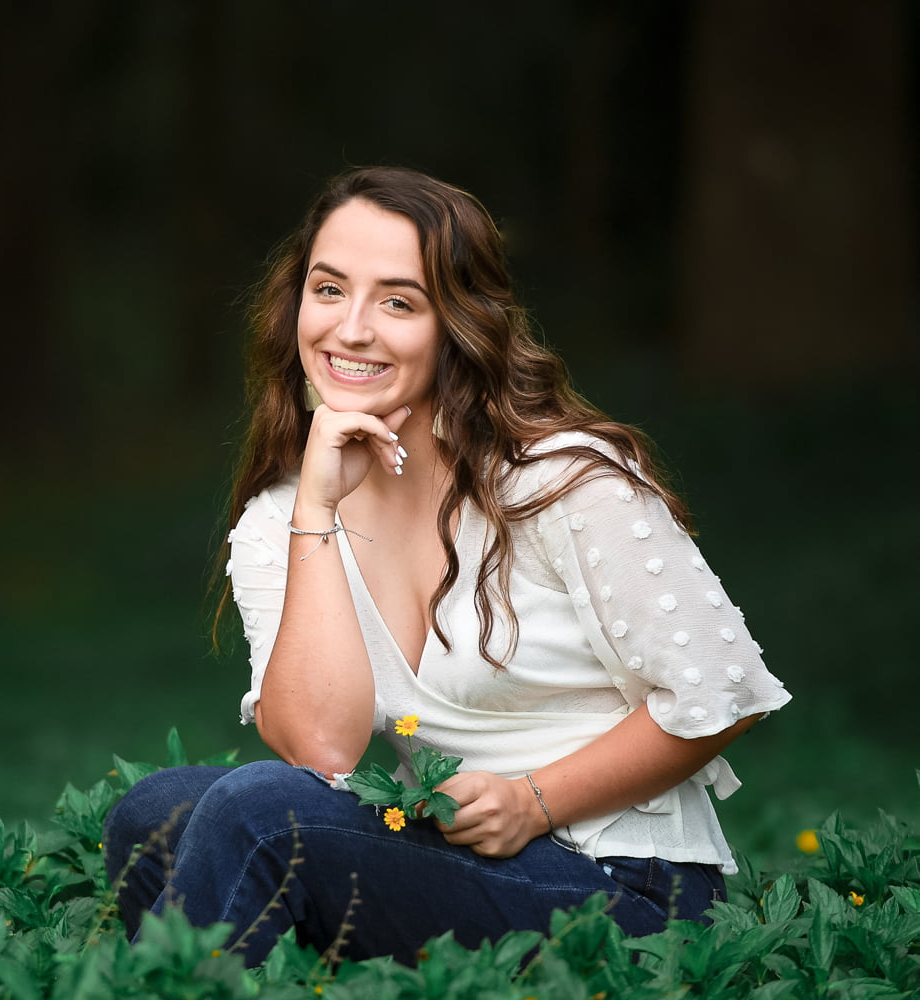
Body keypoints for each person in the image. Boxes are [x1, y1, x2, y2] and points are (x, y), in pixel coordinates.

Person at [101, 166, 790, 966]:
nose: (350, 330)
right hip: (445, 851)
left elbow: (722, 693)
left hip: (629, 886)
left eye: (397, 301)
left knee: (260, 810)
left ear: (457, 324)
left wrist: (534, 802)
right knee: (156, 812)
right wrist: (316, 514)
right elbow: (321, 753)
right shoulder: (284, 515)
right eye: (329, 290)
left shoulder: (561, 479)